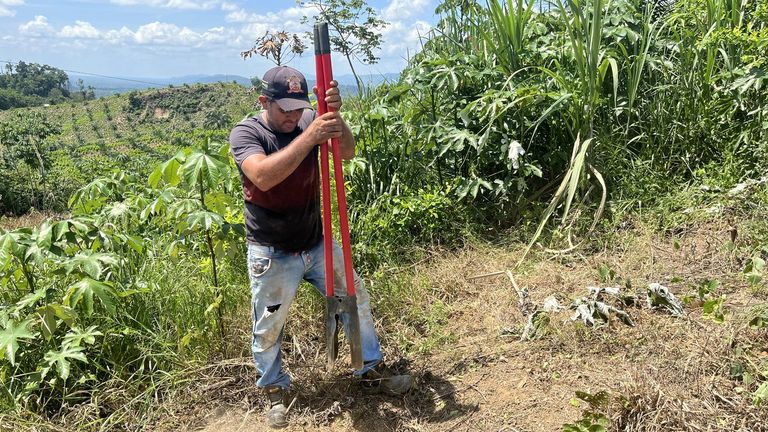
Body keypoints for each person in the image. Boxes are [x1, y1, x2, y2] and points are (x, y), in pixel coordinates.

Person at [229, 65, 413, 429]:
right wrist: (309, 135)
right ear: (264, 101)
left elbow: (346, 152)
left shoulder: (308, 119)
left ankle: (368, 368)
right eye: (285, 109)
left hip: (316, 241)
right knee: (269, 323)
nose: (294, 116)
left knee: (354, 298)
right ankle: (274, 388)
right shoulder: (247, 133)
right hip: (272, 251)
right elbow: (263, 176)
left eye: (299, 108)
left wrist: (334, 116)